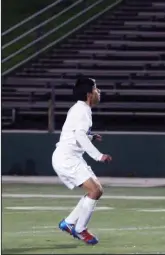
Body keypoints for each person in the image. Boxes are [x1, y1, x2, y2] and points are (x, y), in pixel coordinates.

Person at [52, 77, 112, 245]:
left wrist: (91, 136)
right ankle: (80, 229)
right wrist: (99, 155)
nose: (98, 92)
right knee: (95, 190)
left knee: (96, 190)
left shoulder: (78, 108)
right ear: (88, 94)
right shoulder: (83, 110)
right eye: (96, 89)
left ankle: (69, 223)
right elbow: (78, 135)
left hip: (69, 157)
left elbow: (74, 133)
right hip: (67, 158)